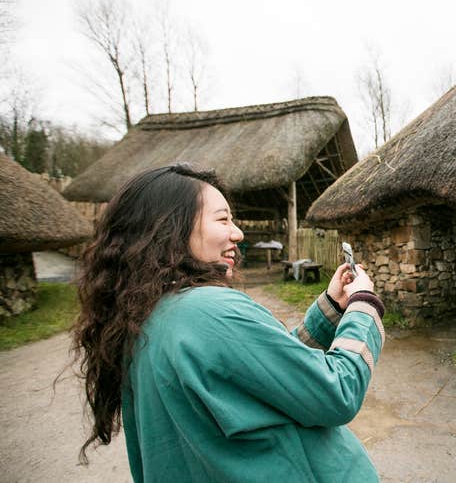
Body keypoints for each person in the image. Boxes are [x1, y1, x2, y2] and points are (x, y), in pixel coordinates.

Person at [72, 164, 384, 482]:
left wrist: (330, 308)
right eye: (223, 219)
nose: (238, 233)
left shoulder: (148, 316)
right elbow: (336, 392)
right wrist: (363, 306)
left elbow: (266, 371)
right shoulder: (209, 311)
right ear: (170, 228)